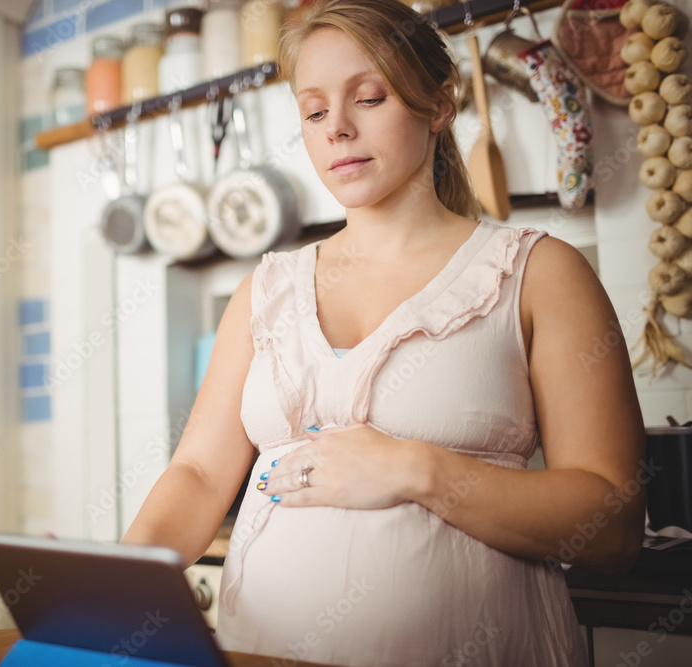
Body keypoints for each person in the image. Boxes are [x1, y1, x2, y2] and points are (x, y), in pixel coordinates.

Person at [121, 0, 645, 664]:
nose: (336, 128)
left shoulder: (539, 274)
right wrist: (114, 588)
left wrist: (415, 469)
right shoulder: (267, 288)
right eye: (313, 112)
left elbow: (614, 527)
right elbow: (197, 472)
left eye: (367, 98)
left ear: (440, 104)